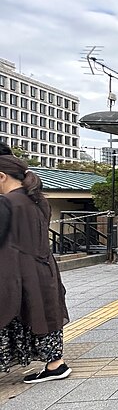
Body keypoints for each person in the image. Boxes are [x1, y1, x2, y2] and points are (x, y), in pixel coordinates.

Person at [0, 154, 72, 383]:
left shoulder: (8, 203)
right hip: (43, 268)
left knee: (11, 316)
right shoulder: (38, 199)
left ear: (1, 176)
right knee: (45, 315)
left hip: (17, 271)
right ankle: (55, 365)